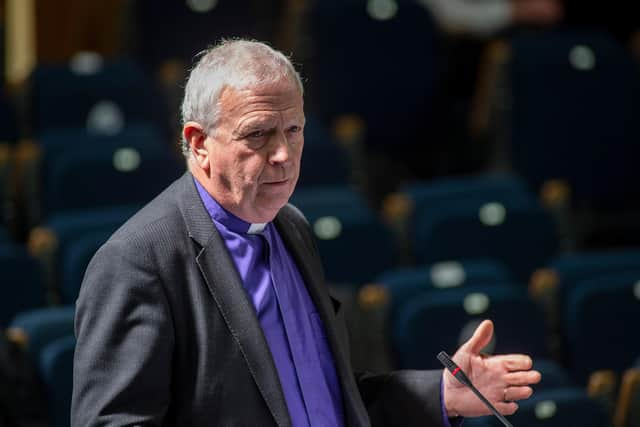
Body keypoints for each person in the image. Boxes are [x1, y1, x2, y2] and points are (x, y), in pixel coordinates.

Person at [71, 39, 540, 426]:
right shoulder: (136, 261)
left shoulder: (289, 225)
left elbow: (326, 398)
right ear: (198, 143)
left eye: (293, 130)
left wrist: (442, 393)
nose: (283, 154)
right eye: (258, 134)